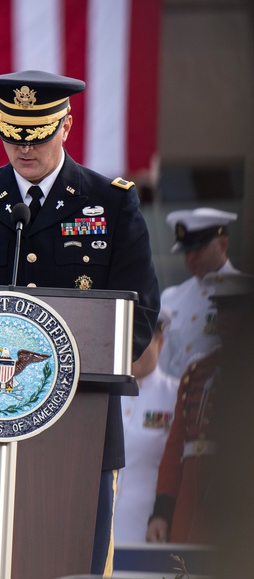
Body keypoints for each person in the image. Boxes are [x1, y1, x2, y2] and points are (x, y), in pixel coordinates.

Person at [0, 70, 160, 575]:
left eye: (36, 135)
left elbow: (139, 315)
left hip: (79, 422)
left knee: (71, 564)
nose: (23, 148)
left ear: (66, 125)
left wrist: (52, 377)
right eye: (11, 134)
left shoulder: (111, 203)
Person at [146, 272, 253, 545]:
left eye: (236, 313)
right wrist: (162, 511)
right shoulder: (197, 372)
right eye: (221, 312)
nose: (226, 321)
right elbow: (176, 446)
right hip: (190, 499)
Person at [112, 308, 177, 544]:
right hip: (99, 526)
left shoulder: (176, 394)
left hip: (146, 529)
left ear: (160, 342)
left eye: (142, 342)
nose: (134, 350)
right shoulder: (106, 393)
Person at [157, 208, 240, 379]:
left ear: (223, 244)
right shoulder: (171, 297)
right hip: (177, 400)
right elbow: (163, 361)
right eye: (187, 250)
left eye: (199, 249)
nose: (191, 257)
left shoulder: (244, 292)